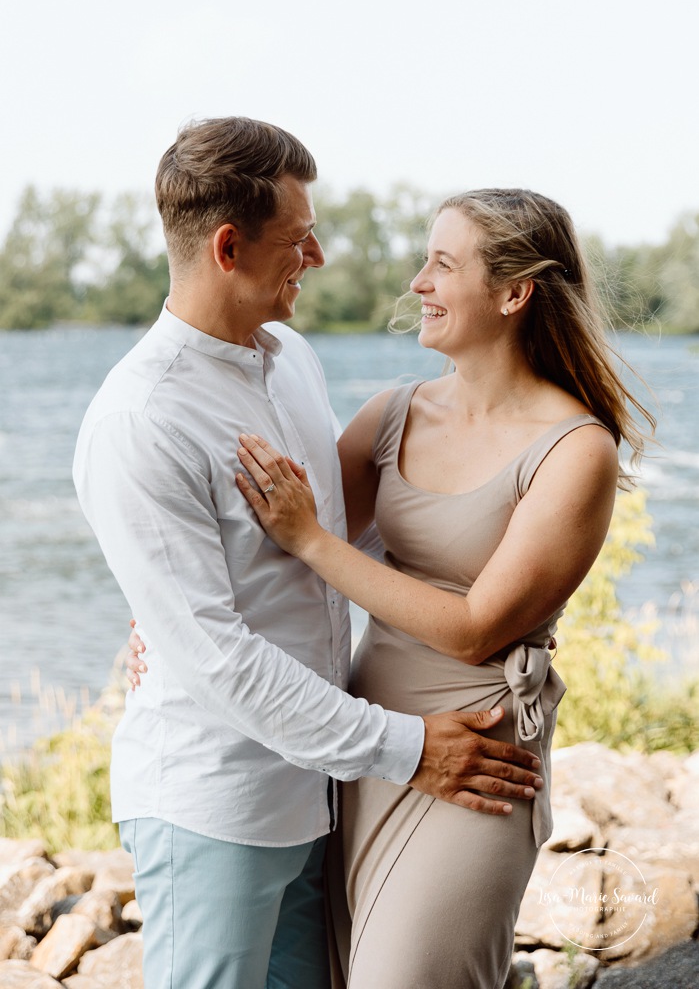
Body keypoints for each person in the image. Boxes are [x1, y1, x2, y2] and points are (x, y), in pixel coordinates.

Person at [74, 118, 544, 989]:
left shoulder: (289, 358)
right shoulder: (141, 421)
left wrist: (502, 595)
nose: (318, 255)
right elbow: (217, 656)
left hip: (320, 793)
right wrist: (408, 747)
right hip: (216, 804)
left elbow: (340, 536)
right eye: (296, 238)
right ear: (227, 246)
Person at [197, 188, 653, 987]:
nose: (417, 282)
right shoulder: (393, 414)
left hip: (477, 755)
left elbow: (477, 627)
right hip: (370, 744)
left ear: (513, 294)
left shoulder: (574, 450)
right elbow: (261, 549)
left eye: (442, 264)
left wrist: (311, 538)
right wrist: (165, 615)